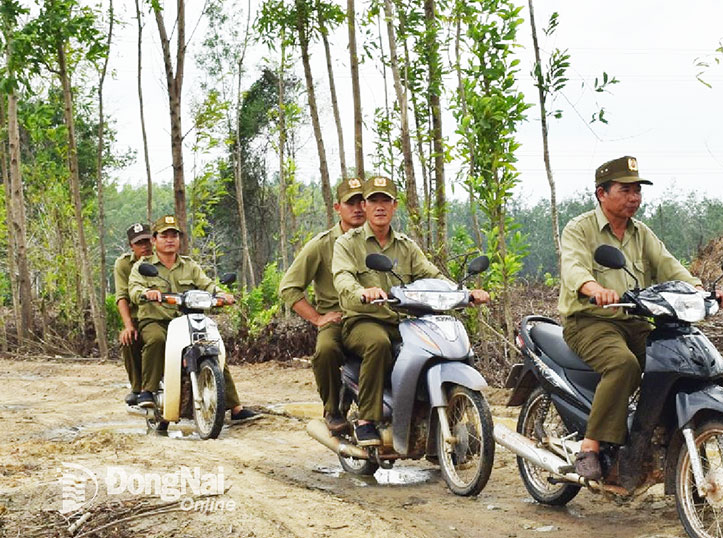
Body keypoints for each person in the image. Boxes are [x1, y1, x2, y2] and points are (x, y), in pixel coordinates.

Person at [558, 156, 723, 480]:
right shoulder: (580, 229)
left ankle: (659, 436)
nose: (634, 197)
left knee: (673, 362)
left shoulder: (641, 232)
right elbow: (574, 267)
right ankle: (590, 447)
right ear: (601, 193)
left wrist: (700, 290)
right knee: (624, 365)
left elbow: (668, 264)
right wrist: (595, 288)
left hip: (634, 319)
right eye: (626, 190)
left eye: (638, 190)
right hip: (590, 321)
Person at [331, 176, 489, 445]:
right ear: (365, 206)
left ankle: (436, 413)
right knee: (378, 343)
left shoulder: (406, 245)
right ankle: (367, 420)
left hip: (404, 321)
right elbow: (342, 277)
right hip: (363, 320)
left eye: (385, 201)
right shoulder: (348, 243)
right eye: (373, 201)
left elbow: (432, 273)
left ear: (395, 206)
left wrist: (462, 293)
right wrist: (362, 292)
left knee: (438, 346)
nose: (379, 207)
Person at [128, 215, 259, 422]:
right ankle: (148, 391)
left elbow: (207, 284)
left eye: (174, 235)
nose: (170, 239)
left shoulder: (190, 265)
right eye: (164, 235)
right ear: (154, 240)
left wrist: (221, 294)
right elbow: (134, 289)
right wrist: (146, 293)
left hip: (187, 320)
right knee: (156, 340)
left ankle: (235, 407)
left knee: (212, 346)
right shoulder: (143, 266)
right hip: (157, 320)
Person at [279, 177, 366, 434]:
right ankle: (332, 409)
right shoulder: (321, 244)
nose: (358, 208)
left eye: (363, 201)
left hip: (374, 316)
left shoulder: (378, 239)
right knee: (326, 350)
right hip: (338, 319)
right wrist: (318, 318)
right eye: (351, 203)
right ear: (338, 208)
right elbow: (289, 287)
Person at [113, 222, 153, 406]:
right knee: (129, 338)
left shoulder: (163, 259)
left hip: (162, 314)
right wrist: (128, 325)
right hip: (137, 316)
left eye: (147, 241)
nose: (144, 246)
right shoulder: (123, 264)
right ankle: (137, 387)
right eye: (139, 243)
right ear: (131, 246)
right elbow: (122, 296)